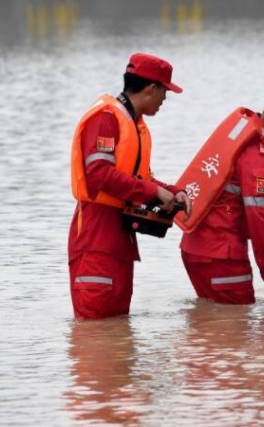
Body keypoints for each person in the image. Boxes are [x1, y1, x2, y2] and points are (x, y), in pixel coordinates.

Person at [68, 52, 192, 320]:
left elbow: (140, 178)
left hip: (119, 239)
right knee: (96, 332)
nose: (164, 100)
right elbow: (99, 175)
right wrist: (153, 192)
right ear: (151, 89)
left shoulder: (133, 124)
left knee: (116, 334)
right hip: (96, 237)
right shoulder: (106, 118)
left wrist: (172, 190)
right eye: (165, 92)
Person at [178, 77, 264, 304]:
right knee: (235, 329)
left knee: (214, 325)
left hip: (197, 248)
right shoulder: (257, 156)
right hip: (222, 254)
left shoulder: (250, 134)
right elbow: (259, 218)